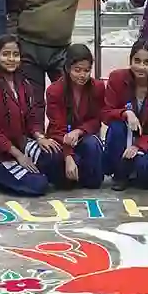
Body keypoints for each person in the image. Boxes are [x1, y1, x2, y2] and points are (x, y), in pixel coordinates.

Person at [16, 0, 109, 107]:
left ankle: (65, 131)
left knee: (67, 96)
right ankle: (35, 132)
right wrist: (14, 43)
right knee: (32, 99)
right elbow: (12, 11)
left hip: (60, 51)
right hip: (29, 48)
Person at [0, 34, 57, 196]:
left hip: (23, 144)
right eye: (5, 54)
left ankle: (28, 172)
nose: (11, 59)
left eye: (15, 54)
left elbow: (33, 118)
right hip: (1, 155)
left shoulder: (24, 84)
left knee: (55, 155)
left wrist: (40, 137)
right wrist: (18, 155)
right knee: (39, 185)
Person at [102, 39, 148, 191]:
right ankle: (120, 174)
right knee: (116, 126)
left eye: (147, 62)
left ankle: (136, 169)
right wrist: (126, 113)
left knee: (147, 171)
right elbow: (105, 114)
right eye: (137, 61)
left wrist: (138, 146)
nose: (141, 67)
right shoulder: (116, 78)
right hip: (124, 139)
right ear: (130, 61)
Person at [44, 43, 105, 189]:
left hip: (84, 137)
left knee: (93, 150)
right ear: (67, 68)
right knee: (58, 167)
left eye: (87, 70)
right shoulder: (54, 90)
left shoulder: (97, 87)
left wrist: (79, 131)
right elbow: (57, 127)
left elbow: (97, 120)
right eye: (77, 70)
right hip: (60, 139)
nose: (82, 75)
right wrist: (68, 156)